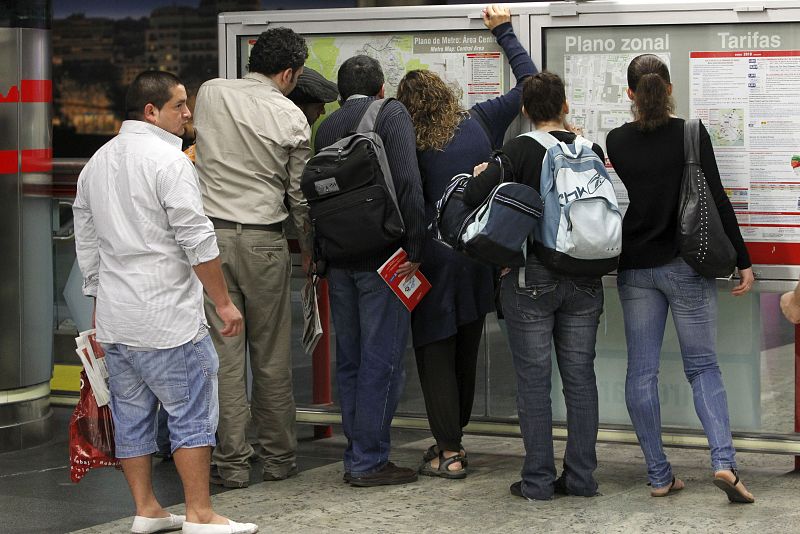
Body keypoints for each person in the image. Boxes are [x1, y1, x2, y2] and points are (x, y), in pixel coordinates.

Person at [73, 71, 257, 534]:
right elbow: (197, 240)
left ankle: (147, 510)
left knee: (131, 417)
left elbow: (87, 242)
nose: (188, 112)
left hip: (117, 319)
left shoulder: (96, 162)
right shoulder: (170, 163)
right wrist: (224, 303)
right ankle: (200, 514)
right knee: (192, 413)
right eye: (179, 105)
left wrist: (98, 305)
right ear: (150, 111)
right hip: (168, 316)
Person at [394, 4, 536, 479]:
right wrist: (505, 34)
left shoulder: (408, 142)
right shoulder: (477, 121)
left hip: (431, 261)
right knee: (466, 351)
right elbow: (530, 86)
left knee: (435, 351)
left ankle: (449, 451)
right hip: (477, 255)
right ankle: (455, 443)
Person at [606, 53, 755, 503]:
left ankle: (658, 475)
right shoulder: (691, 134)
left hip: (636, 268)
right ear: (669, 89)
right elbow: (717, 198)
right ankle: (724, 463)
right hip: (687, 265)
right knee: (703, 367)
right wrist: (742, 259)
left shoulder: (615, 141)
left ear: (630, 94)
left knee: (642, 372)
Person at [463, 71, 606, 500]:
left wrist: (482, 171)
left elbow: (473, 195)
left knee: (534, 382)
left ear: (525, 110)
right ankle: (581, 478)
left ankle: (538, 481)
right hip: (585, 278)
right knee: (581, 380)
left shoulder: (518, 149)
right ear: (565, 104)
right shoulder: (590, 148)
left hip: (532, 280)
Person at [193, 27, 311, 488]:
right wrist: (312, 252)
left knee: (224, 357)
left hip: (211, 241)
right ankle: (279, 459)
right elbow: (300, 197)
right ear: (287, 74)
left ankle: (231, 464)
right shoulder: (292, 117)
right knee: (271, 356)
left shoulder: (210, 93)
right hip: (265, 242)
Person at [314, 55, 426, 487]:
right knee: (384, 362)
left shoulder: (326, 127)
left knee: (353, 362)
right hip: (384, 259)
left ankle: (355, 452)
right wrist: (415, 246)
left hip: (340, 261)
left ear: (341, 93)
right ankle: (369, 460)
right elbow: (408, 183)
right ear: (382, 88)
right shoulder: (391, 113)